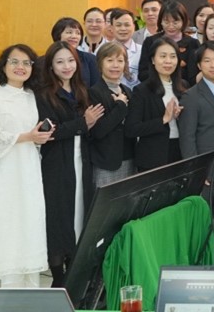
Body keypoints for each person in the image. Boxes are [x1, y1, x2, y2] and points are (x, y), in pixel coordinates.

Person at [0, 45, 52, 288]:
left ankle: (29, 285)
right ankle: (2, 286)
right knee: (4, 221)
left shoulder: (33, 96)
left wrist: (39, 137)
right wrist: (27, 136)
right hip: (2, 168)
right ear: (3, 65)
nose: (21, 67)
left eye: (27, 63)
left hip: (29, 166)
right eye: (15, 62)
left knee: (28, 219)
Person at [34, 42, 102, 287]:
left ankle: (75, 272)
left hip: (81, 160)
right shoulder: (44, 95)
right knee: (58, 216)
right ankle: (58, 277)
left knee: (79, 214)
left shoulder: (82, 90)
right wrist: (84, 123)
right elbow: (50, 132)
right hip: (56, 163)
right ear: (51, 66)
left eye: (71, 60)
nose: (66, 66)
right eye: (60, 61)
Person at [179, 42, 214, 246]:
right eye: (207, 61)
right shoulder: (191, 96)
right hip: (207, 172)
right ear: (199, 66)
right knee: (204, 227)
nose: (213, 65)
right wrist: (198, 172)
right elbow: (187, 138)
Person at [126, 36, 184, 171]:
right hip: (153, 157)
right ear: (153, 60)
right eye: (163, 56)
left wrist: (178, 116)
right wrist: (163, 120)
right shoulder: (141, 90)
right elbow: (131, 129)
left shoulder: (183, 87)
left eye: (173, 56)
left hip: (179, 152)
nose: (168, 61)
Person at [86, 43, 135, 188]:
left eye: (120, 61)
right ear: (100, 63)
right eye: (109, 60)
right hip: (106, 161)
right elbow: (98, 131)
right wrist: (120, 106)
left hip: (130, 157)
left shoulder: (127, 90)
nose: (115, 65)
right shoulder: (94, 92)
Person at [51, 16, 99, 86]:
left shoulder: (90, 59)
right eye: (69, 32)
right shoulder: (45, 60)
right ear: (58, 35)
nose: (74, 36)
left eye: (78, 33)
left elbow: (95, 86)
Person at [107, 7, 142, 87]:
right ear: (111, 28)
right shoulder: (102, 50)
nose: (123, 29)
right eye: (118, 25)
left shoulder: (142, 51)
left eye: (127, 25)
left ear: (134, 27)